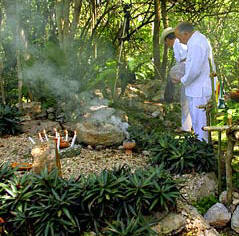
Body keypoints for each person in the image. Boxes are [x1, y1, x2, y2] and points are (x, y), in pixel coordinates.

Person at [173, 22, 214, 142]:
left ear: (185, 34)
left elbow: (194, 70)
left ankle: (202, 149)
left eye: (180, 38)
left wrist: (182, 80)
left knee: (200, 122)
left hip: (199, 90)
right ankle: (200, 146)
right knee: (197, 122)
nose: (179, 42)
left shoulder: (196, 43)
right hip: (196, 88)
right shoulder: (197, 40)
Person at [161, 27, 192, 132]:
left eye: (166, 42)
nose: (167, 45)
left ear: (168, 39)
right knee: (185, 100)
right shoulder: (180, 43)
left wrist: (176, 75)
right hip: (189, 74)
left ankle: (188, 127)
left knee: (187, 101)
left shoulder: (177, 43)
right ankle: (187, 127)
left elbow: (186, 60)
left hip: (189, 73)